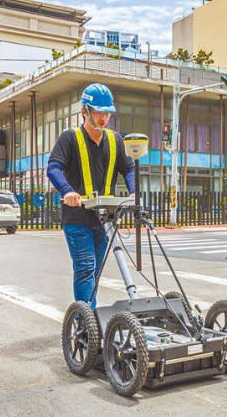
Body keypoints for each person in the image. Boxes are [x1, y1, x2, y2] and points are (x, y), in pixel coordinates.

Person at [46, 83, 135, 309]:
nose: (104, 117)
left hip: (104, 219)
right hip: (77, 217)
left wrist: (134, 192)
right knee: (85, 266)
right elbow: (53, 168)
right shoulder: (69, 138)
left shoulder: (115, 140)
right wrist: (68, 192)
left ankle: (89, 319)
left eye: (107, 113)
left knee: (94, 270)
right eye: (98, 112)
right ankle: (86, 322)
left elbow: (129, 168)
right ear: (84, 111)